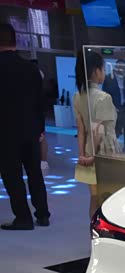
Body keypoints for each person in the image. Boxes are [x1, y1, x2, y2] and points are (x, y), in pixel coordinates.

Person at [0, 23, 49, 230]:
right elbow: (41, 102)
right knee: (34, 172)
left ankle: (23, 217)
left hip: (5, 133)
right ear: (15, 40)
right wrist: (40, 129)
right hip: (31, 131)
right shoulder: (31, 68)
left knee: (13, 176)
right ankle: (43, 214)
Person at [74, 50, 119, 221]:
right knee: (108, 197)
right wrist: (93, 156)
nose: (104, 73)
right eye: (103, 69)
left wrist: (83, 155)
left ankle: (93, 232)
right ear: (96, 71)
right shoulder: (103, 98)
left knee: (94, 197)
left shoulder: (78, 97)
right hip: (105, 151)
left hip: (88, 149)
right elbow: (97, 130)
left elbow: (81, 129)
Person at [102, 58, 125, 150]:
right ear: (115, 67)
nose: (121, 69)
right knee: (114, 131)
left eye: (123, 67)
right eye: (119, 67)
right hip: (115, 108)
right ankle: (111, 149)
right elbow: (105, 94)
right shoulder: (108, 79)